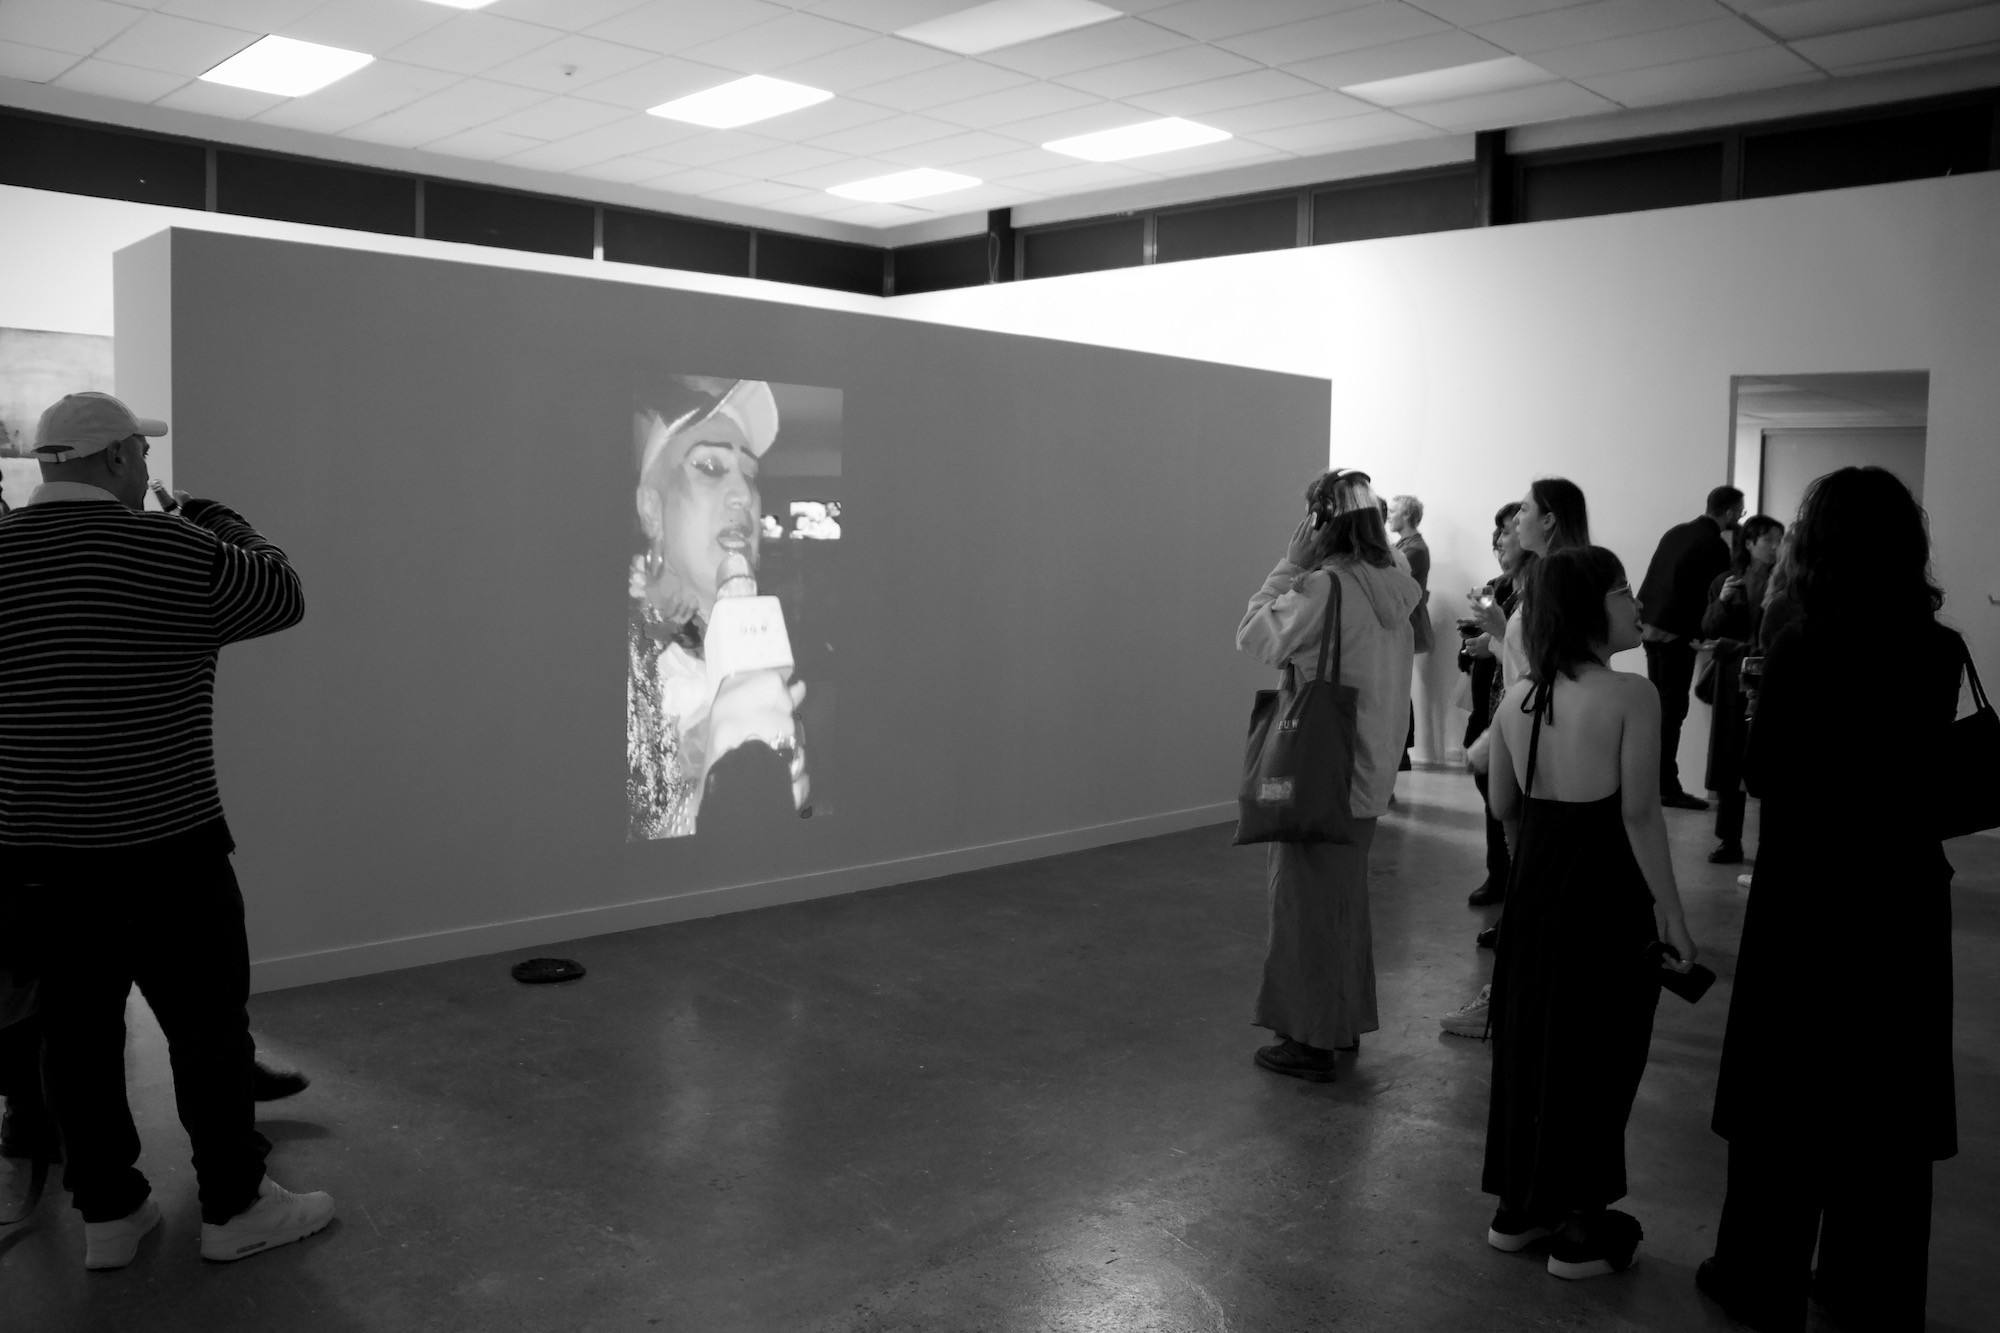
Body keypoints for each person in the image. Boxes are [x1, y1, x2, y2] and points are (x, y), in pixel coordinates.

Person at [0, 391, 333, 1268]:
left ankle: (109, 1215)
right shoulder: (174, 549)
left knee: (76, 1042)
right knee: (209, 1033)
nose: (146, 465)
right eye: (141, 453)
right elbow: (282, 591)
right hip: (171, 849)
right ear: (115, 458)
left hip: (39, 860)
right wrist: (210, 514)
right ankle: (235, 1205)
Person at [1697, 468, 1962, 1333]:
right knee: (1886, 1093)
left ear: (1817, 548)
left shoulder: (1803, 644)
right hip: (1900, 895)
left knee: (1787, 1089)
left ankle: (1759, 1272)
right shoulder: (1939, 648)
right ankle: (1868, 1283)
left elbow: (1764, 772)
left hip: (1808, 895)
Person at [1480, 546, 1698, 1279]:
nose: (1638, 605)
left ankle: (1519, 1209)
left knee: (1532, 1045)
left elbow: (1504, 806)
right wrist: (1672, 914)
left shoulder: (1518, 698)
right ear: (1587, 608)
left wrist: (1531, 873)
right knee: (1601, 1052)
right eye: (1623, 591)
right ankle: (1580, 1229)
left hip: (1534, 896)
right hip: (1606, 898)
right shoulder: (1633, 694)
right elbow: (1639, 814)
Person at [1237, 469, 1421, 1082]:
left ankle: (1309, 1039)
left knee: (1304, 907)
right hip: (1368, 768)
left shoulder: (1324, 588)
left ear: (1321, 521)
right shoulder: (1395, 584)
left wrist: (1288, 565)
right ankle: (1340, 1023)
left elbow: (1254, 635)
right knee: (1342, 904)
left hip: (1321, 773)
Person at [628, 377, 809, 840]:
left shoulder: (765, 647)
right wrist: (713, 800)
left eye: (750, 474)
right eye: (710, 466)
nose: (743, 494)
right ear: (652, 510)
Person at [1441, 478, 1590, 1037]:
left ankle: (1510, 1000)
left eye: (1524, 510)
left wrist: (1502, 634)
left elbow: (1548, 666)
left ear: (1548, 520)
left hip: (1532, 734)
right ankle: (1522, 995)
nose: (1513, 522)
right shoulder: (1546, 575)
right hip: (1524, 730)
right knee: (1529, 868)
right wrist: (1498, 640)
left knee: (1531, 872)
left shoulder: (1555, 577)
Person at [1637, 486, 1744, 810]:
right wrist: (1701, 633)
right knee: (1672, 711)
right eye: (1740, 511)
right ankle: (1667, 787)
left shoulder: (1677, 532)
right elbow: (1709, 594)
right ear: (1729, 512)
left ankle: (1653, 784)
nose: (1740, 517)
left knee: (1659, 709)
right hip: (1675, 631)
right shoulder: (1714, 544)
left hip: (1649, 625)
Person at [1699, 515, 1783, 864]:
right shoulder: (1727, 581)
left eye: (1780, 540)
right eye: (1769, 540)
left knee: (1769, 758)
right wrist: (1721, 601)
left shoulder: (1785, 582)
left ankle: (1771, 845)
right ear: (1749, 543)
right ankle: (1729, 841)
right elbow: (1708, 627)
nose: (1775, 547)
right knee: (1729, 758)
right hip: (1732, 677)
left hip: (1770, 677)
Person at [1458, 502, 1525, 909]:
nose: (1499, 539)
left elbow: (1526, 655)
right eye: (1497, 531)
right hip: (1490, 705)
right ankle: (1499, 875)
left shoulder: (1535, 591)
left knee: (1511, 802)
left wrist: (1494, 640)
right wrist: (1472, 645)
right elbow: (1486, 644)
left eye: (1507, 530)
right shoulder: (1496, 587)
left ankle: (1514, 885)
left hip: (1515, 707)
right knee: (1493, 793)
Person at [1389, 494, 1431, 772]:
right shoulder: (1404, 547)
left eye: (1393, 511)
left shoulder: (1414, 549)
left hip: (1406, 623)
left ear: (1406, 516)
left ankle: (1402, 750)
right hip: (1403, 621)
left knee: (1399, 686)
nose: (1388, 516)